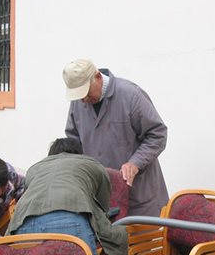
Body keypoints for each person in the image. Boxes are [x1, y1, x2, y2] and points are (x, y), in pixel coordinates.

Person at [63, 58, 169, 217]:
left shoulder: (131, 95)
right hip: (100, 197)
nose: (83, 100)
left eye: (85, 93)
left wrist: (135, 163)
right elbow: (73, 140)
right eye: (79, 96)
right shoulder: (79, 102)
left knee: (140, 241)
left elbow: (157, 134)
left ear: (98, 77)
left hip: (137, 196)